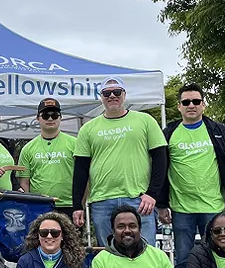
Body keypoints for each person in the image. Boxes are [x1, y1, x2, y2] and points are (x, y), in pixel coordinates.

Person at [157, 82, 225, 268]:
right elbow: (160, 171)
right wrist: (161, 205)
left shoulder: (218, 130)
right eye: (186, 102)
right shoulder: (169, 133)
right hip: (181, 209)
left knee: (217, 254)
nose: (191, 105)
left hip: (213, 207)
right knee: (183, 258)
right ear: (179, 106)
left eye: (196, 101)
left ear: (203, 105)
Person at [72, 77, 168, 246]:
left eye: (117, 92)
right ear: (100, 97)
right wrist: (77, 205)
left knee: (145, 255)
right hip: (102, 202)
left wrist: (153, 194)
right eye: (107, 93)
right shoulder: (88, 129)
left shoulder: (145, 121)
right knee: (109, 257)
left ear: (124, 95)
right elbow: (81, 169)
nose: (112, 96)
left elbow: (161, 159)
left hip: (139, 200)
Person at [17, 98, 77, 218]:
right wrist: (28, 207)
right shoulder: (28, 148)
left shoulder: (75, 143)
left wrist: (80, 204)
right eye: (45, 115)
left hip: (69, 205)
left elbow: (84, 177)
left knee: (71, 237)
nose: (50, 119)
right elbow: (24, 182)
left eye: (54, 115)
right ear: (38, 118)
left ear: (61, 117)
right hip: (39, 206)